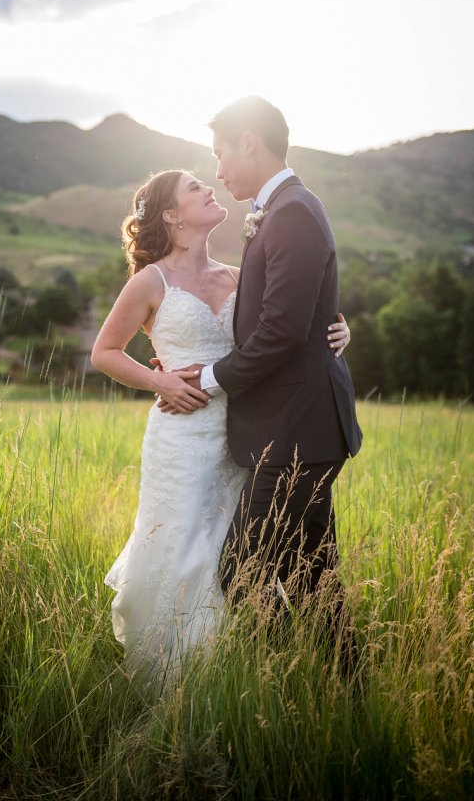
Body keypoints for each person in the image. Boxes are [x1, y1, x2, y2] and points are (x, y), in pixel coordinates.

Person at [91, 162, 351, 676]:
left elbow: (287, 324)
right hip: (181, 436)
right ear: (172, 215)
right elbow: (105, 351)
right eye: (195, 187)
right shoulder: (151, 281)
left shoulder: (238, 275)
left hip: (244, 435)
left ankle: (244, 665)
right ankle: (178, 672)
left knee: (232, 552)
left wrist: (341, 332)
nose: (209, 186)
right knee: (183, 545)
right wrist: (159, 379)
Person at [165, 96, 363, 662]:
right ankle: (346, 690)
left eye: (221, 154)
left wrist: (204, 375)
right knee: (313, 578)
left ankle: (279, 683)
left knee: (240, 570)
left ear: (249, 142)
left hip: (299, 432)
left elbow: (279, 331)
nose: (219, 170)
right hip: (299, 428)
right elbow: (282, 320)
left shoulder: (294, 211)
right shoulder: (278, 210)